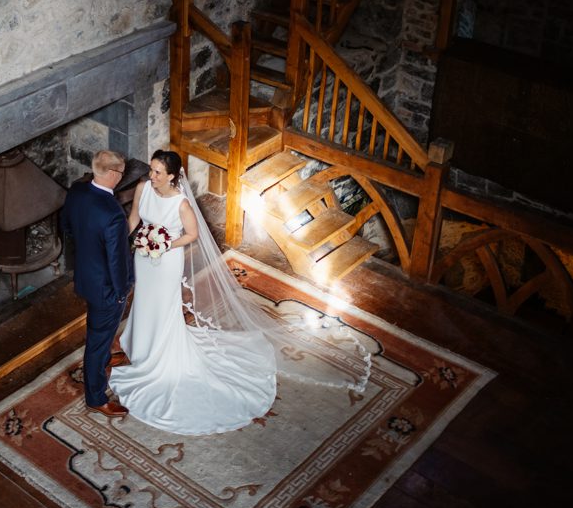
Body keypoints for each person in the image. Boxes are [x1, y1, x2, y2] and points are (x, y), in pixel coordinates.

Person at [110, 149, 372, 435]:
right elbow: (134, 219)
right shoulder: (143, 188)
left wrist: (164, 244)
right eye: (151, 170)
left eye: (158, 172)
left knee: (163, 305)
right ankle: (140, 343)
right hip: (144, 257)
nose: (152, 175)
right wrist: (124, 243)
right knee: (144, 301)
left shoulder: (181, 204)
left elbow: (192, 235)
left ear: (172, 176)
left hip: (166, 260)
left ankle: (160, 354)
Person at [61, 150, 134, 418]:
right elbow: (117, 260)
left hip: (85, 276)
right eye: (121, 173)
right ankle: (95, 397)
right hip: (106, 287)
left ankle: (104, 358)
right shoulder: (113, 213)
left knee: (100, 333)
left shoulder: (77, 191)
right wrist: (121, 291)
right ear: (113, 174)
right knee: (97, 340)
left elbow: (67, 226)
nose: (121, 177)